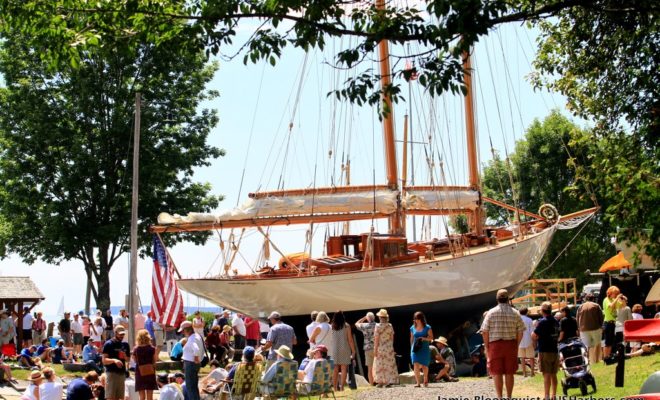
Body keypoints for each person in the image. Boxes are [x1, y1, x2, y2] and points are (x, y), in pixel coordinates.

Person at [480, 289, 525, 400]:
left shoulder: (491, 312)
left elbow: (484, 331)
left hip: (495, 345)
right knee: (510, 372)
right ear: (508, 299)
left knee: (496, 372)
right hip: (510, 344)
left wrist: (487, 346)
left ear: (497, 299)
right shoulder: (515, 313)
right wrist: (516, 344)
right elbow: (520, 331)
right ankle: (509, 397)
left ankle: (499, 397)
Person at [533, 302, 560, 400]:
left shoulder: (542, 322)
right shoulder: (556, 321)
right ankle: (554, 395)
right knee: (554, 374)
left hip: (545, 350)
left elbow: (534, 335)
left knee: (546, 374)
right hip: (554, 350)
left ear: (543, 311)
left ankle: (547, 396)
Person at [329, 311, 356, 391]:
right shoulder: (346, 325)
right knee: (344, 368)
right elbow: (350, 339)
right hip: (344, 348)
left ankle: (334, 388)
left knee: (335, 369)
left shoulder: (331, 326)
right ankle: (342, 387)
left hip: (334, 349)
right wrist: (353, 351)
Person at [102, 325, 131, 400]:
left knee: (120, 397)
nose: (122, 336)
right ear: (115, 333)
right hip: (112, 373)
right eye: (120, 334)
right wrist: (114, 360)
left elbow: (128, 360)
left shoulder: (125, 345)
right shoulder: (108, 344)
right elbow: (104, 361)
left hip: (122, 374)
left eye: (123, 334)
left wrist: (125, 356)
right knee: (111, 397)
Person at [180, 320, 205, 400]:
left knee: (190, 387)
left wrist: (196, 357)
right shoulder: (197, 336)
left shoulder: (192, 338)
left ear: (186, 330)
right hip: (193, 364)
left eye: (183, 331)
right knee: (193, 387)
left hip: (190, 364)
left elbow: (196, 349)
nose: (182, 333)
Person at [372, 309, 397, 387]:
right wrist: (391, 347)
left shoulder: (377, 326)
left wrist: (375, 350)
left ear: (380, 317)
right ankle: (389, 381)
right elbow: (392, 338)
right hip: (389, 347)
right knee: (389, 364)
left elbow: (376, 339)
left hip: (381, 347)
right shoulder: (390, 325)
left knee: (380, 364)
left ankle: (381, 381)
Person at [576, 293, 604, 363]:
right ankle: (596, 360)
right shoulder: (596, 305)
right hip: (595, 328)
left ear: (585, 299)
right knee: (596, 345)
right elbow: (601, 317)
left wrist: (579, 328)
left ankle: (588, 361)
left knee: (587, 346)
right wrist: (601, 326)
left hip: (583, 329)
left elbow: (577, 318)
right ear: (593, 299)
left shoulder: (580, 307)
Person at [132, 329, 158, 400]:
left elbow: (134, 360)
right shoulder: (152, 349)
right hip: (150, 371)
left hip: (140, 371)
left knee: (141, 397)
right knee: (150, 396)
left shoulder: (136, 349)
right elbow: (155, 360)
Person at [410, 311, 433, 388]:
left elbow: (431, 338)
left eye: (417, 318)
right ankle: (418, 383)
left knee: (424, 365)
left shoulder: (427, 327)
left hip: (424, 348)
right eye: (414, 318)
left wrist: (424, 338)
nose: (415, 320)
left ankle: (425, 379)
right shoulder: (412, 327)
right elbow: (412, 338)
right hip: (415, 349)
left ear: (421, 319)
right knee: (415, 364)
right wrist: (411, 348)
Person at [355, 312, 377, 385]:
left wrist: (364, 318)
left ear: (368, 319)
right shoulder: (377, 325)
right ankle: (378, 382)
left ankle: (371, 384)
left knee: (369, 368)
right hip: (376, 348)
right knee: (378, 366)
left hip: (367, 348)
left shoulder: (365, 326)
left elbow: (356, 323)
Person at [603, 285, 623, 359]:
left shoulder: (614, 300)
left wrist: (623, 299)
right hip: (608, 323)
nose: (616, 295)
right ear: (610, 293)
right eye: (615, 293)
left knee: (610, 342)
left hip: (612, 323)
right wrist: (617, 298)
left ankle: (608, 356)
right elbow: (611, 306)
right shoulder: (606, 299)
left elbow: (622, 306)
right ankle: (605, 357)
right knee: (607, 342)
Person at [518, 307, 535, 377]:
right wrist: (534, 341)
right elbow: (532, 331)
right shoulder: (529, 320)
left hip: (520, 341)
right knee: (531, 357)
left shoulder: (517, 320)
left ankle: (524, 373)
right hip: (528, 340)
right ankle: (532, 372)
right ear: (526, 312)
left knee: (522, 358)